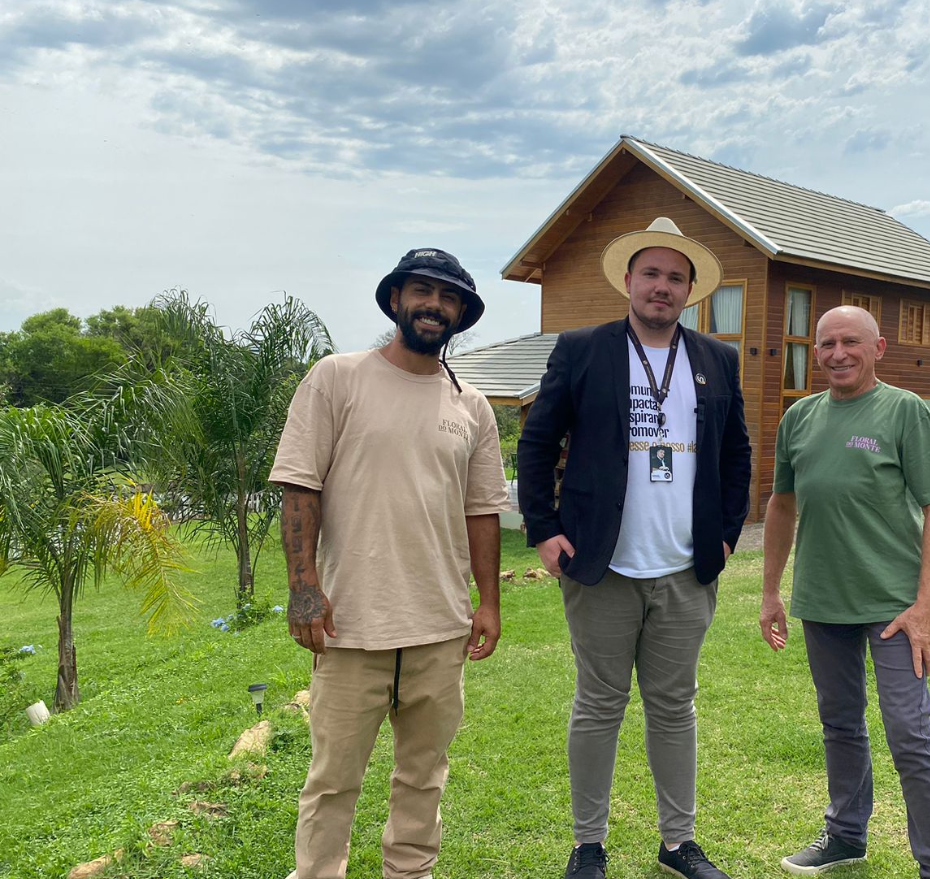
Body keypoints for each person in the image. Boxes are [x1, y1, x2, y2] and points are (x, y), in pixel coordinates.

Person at [517, 217, 751, 879]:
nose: (662, 286)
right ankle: (588, 843)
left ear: (690, 292)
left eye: (676, 278)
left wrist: (728, 533)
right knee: (598, 704)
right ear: (628, 279)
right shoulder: (584, 349)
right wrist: (543, 529)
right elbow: (536, 444)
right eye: (651, 273)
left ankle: (678, 842)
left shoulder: (716, 359)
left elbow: (737, 454)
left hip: (686, 567)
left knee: (676, 706)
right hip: (601, 565)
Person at [270, 247, 511, 879]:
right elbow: (300, 486)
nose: (434, 305)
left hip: (439, 627)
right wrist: (303, 589)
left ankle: (411, 872)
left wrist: (487, 601)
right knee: (332, 783)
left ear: (461, 314)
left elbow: (482, 510)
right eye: (423, 291)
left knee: (424, 778)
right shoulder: (338, 377)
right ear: (397, 299)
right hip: (352, 626)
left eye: (449, 297)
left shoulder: (473, 407)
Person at [759, 305, 930, 878]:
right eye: (826, 343)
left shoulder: (903, 411)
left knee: (909, 733)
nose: (837, 353)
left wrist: (927, 608)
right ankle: (846, 835)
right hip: (823, 601)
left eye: (851, 342)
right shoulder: (798, 417)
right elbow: (781, 504)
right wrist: (771, 591)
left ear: (878, 349)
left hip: (895, 606)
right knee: (840, 723)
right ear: (815, 351)